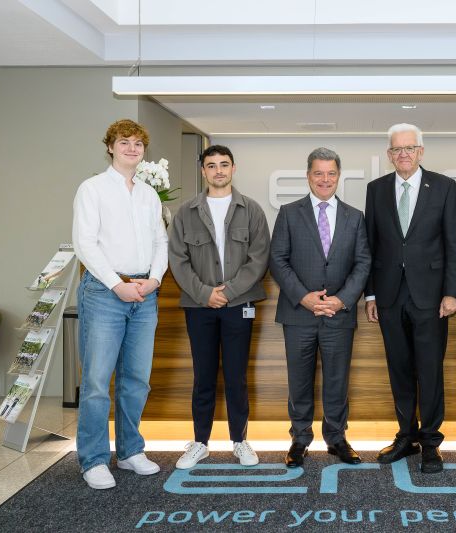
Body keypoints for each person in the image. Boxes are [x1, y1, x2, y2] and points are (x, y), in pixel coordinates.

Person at [72, 119, 168, 489]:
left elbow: (161, 242)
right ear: (110, 147)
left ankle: (130, 452)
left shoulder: (148, 194)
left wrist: (155, 279)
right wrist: (116, 284)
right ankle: (94, 459)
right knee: (97, 382)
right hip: (104, 293)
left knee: (136, 381)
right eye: (124, 142)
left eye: (138, 143)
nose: (132, 148)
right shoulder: (92, 189)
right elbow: (85, 242)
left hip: (144, 294)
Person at [364, 123, 456, 474]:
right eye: (396, 149)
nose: (403, 154)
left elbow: (454, 243)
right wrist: (371, 293)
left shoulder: (444, 187)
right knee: (400, 369)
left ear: (420, 151)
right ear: (389, 154)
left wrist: (453, 293)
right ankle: (406, 436)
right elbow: (371, 247)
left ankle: (431, 442)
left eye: (409, 148)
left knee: (430, 370)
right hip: (390, 295)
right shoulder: (375, 190)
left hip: (432, 296)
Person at [168, 145, 270, 469]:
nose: (218, 171)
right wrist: (204, 293)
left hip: (240, 304)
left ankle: (240, 441)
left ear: (233, 168)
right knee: (204, 376)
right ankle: (200, 442)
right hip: (199, 307)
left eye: (224, 164)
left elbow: (259, 258)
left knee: (237, 376)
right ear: (203, 171)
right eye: (211, 165)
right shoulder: (186, 212)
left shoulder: (252, 210)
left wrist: (229, 292)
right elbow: (177, 260)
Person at [269, 147, 371, 468]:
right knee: (299, 378)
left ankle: (337, 438)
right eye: (318, 173)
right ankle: (300, 439)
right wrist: (304, 297)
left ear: (338, 176)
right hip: (299, 313)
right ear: (308, 175)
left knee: (337, 379)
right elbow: (278, 260)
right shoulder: (288, 212)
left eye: (331, 173)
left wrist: (342, 300)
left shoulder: (355, 217)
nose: (324, 179)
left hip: (339, 314)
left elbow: (363, 262)